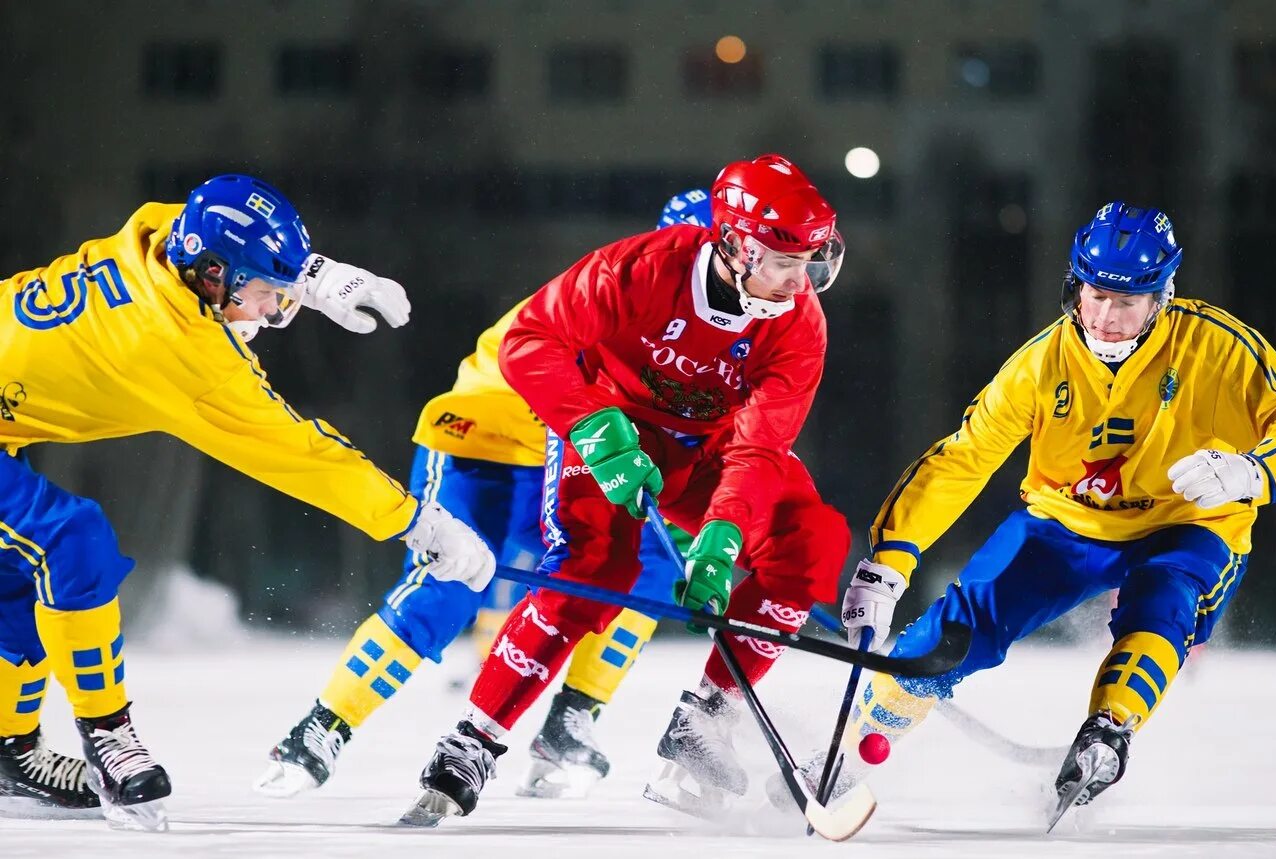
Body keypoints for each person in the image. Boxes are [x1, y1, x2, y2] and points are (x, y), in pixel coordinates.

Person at [0, 174, 494, 830]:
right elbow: (300, 454)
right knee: (71, 541)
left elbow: (205, 220)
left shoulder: (151, 240)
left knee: (17, 575)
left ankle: (10, 745)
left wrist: (310, 274)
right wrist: (417, 521)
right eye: (265, 292)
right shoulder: (179, 351)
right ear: (212, 277)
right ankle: (108, 734)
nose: (272, 310)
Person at [406, 154, 852, 825]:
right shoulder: (636, 269)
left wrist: (721, 534)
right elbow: (529, 341)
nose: (800, 281)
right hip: (614, 433)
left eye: (811, 260)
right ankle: (475, 738)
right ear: (732, 242)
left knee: (810, 540)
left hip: (711, 452)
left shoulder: (799, 323)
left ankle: (704, 724)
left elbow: (761, 442)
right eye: (782, 260)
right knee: (596, 564)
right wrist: (595, 432)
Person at [255, 190, 713, 802]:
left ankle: (570, 720)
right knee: (451, 581)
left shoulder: (717, 328)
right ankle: (321, 728)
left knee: (649, 568)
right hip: (489, 444)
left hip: (575, 451)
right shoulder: (620, 291)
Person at [834, 201, 1268, 816]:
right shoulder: (1040, 363)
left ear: (1163, 297)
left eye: (1128, 302)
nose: (1107, 318)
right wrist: (891, 557)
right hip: (1066, 522)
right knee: (953, 633)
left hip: (1188, 522)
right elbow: (964, 459)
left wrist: (1254, 470)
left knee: (1161, 603)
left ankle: (1108, 732)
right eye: (1095, 297)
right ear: (1074, 287)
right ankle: (852, 750)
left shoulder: (1221, 347)